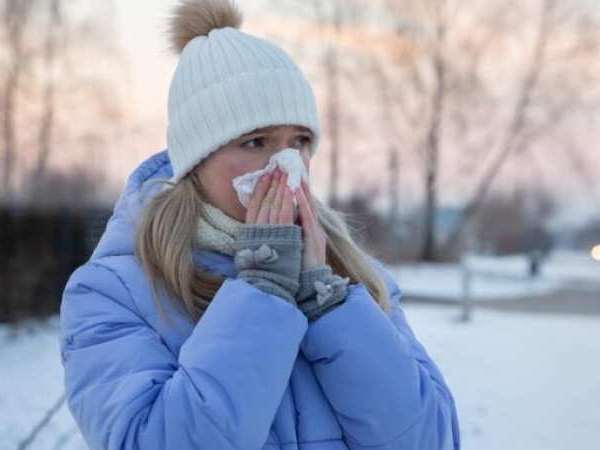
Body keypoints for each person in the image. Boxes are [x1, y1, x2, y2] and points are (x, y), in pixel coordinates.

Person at [58, 1, 460, 449]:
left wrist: (326, 302)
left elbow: (430, 438)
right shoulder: (114, 292)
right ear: (196, 160)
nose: (286, 164)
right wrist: (263, 292)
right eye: (255, 142)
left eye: (299, 141)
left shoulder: (353, 275)